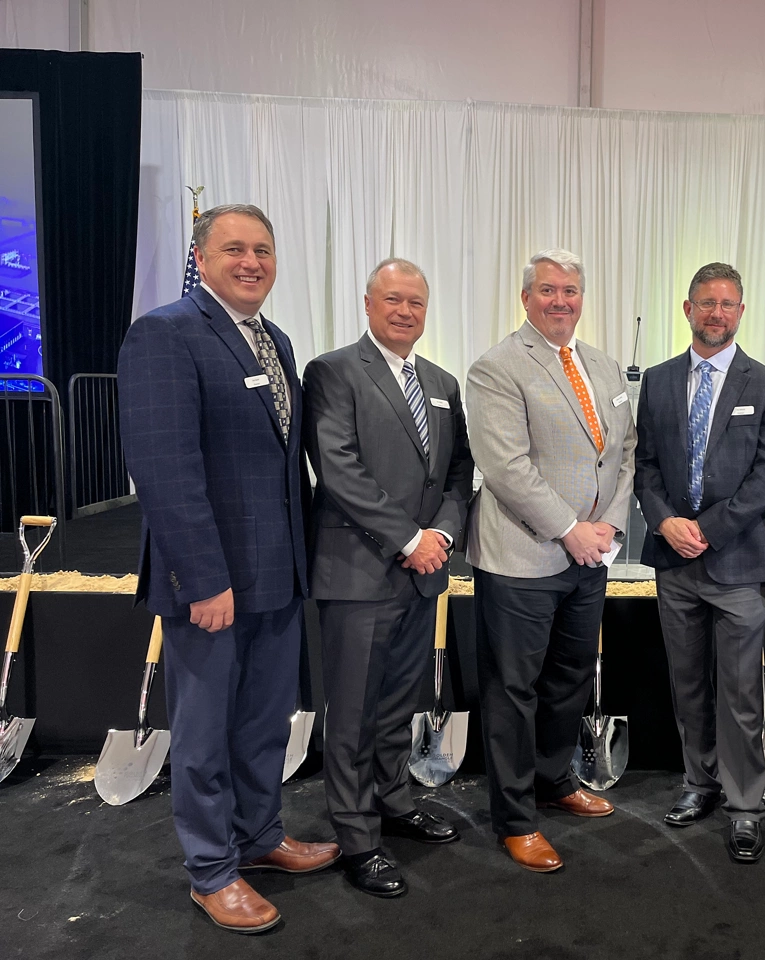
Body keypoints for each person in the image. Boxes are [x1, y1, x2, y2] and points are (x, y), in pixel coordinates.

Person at [117, 204, 338, 934]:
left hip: (276, 576)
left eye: (264, 250)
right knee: (206, 732)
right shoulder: (165, 333)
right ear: (200, 256)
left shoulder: (272, 340)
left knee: (263, 724)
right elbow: (166, 470)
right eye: (235, 249)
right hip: (211, 584)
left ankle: (261, 837)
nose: (252, 262)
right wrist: (202, 579)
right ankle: (212, 870)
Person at [302, 258, 474, 898]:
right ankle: (356, 836)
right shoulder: (333, 371)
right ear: (368, 303)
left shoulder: (440, 380)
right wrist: (409, 539)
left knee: (398, 703)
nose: (405, 312)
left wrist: (444, 538)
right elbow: (338, 468)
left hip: (421, 573)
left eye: (417, 303)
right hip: (359, 570)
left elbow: (458, 472)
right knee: (351, 711)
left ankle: (395, 801)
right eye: (393, 299)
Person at [465, 249, 636, 873]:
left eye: (570, 290)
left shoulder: (604, 366)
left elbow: (625, 452)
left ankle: (554, 780)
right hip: (522, 557)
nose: (560, 300)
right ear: (526, 298)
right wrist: (570, 530)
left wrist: (610, 525)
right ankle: (515, 817)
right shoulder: (497, 368)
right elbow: (506, 467)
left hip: (590, 556)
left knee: (567, 680)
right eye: (547, 290)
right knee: (514, 690)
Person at [633, 262, 765, 863]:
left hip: (738, 563)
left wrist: (708, 529)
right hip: (674, 563)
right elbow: (645, 463)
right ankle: (698, 783)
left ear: (741, 312)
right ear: (687, 309)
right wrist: (663, 520)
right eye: (706, 303)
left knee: (740, 691)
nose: (715, 313)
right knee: (689, 684)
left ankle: (745, 803)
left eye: (727, 303)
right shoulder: (660, 379)